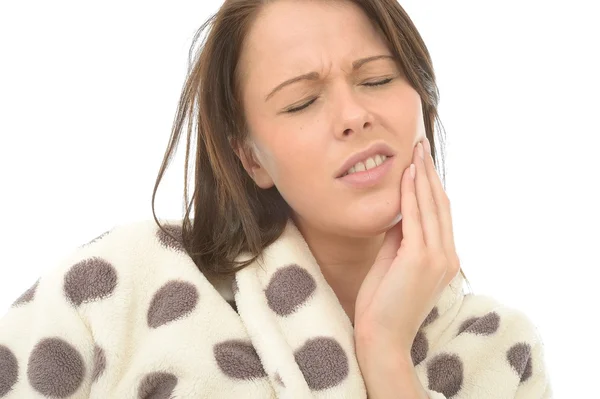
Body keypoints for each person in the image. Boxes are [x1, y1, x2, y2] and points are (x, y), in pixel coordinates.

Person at [0, 0, 551, 398]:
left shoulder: (501, 353)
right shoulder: (114, 288)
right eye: (302, 102)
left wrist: (386, 356)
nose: (354, 115)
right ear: (252, 159)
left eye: (379, 80)